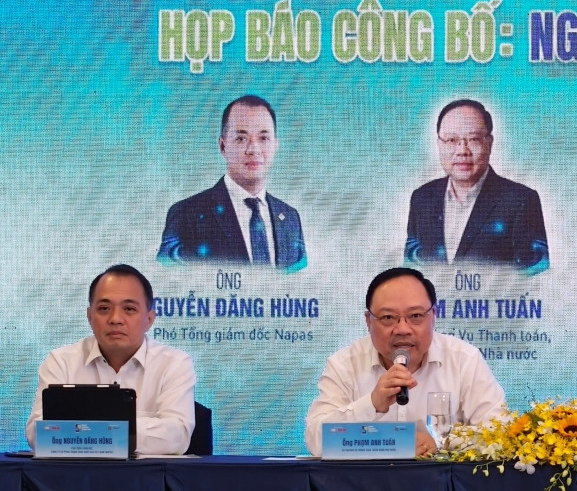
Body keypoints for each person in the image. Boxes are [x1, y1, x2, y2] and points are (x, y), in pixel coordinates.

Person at [304, 267, 505, 457]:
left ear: (433, 316)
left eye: (415, 316)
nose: (402, 329)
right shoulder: (344, 365)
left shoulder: (463, 359)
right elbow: (316, 442)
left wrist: (442, 441)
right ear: (368, 321)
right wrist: (371, 403)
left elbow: (501, 432)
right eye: (388, 317)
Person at [26, 264, 196, 455]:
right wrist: (122, 431)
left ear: (149, 319)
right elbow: (37, 433)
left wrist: (83, 430)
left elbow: (177, 436)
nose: (115, 319)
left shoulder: (174, 364)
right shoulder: (61, 362)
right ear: (90, 316)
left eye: (129, 309)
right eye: (104, 308)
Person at [158, 95, 307, 272]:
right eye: (241, 139)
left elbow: (300, 280)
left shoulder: (290, 218)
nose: (253, 149)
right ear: (223, 146)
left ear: (276, 145)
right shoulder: (186, 214)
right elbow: (167, 279)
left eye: (263, 138)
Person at [405, 99, 549, 274]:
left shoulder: (521, 201)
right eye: (451, 140)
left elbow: (535, 275)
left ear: (489, 143)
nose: (462, 151)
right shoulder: (421, 198)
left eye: (473, 139)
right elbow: (411, 273)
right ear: (439, 144)